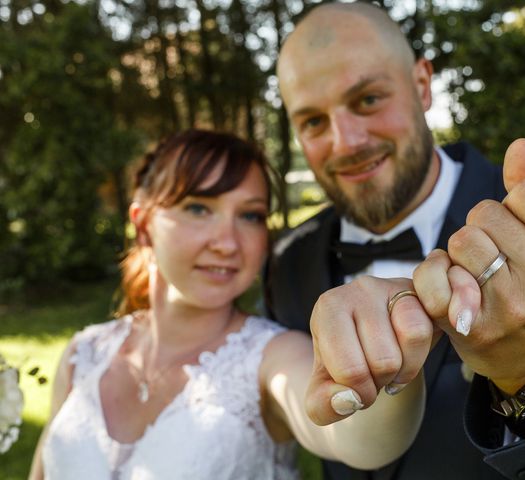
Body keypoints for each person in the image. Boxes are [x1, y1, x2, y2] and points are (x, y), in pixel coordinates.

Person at [267, 2, 525, 479]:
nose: (346, 142)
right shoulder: (287, 259)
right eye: (314, 122)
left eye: (367, 100)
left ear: (422, 85)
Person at [28, 129, 429, 480]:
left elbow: (359, 440)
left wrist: (384, 356)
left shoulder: (272, 357)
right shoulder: (83, 355)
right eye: (199, 208)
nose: (227, 243)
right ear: (144, 225)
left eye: (251, 216)